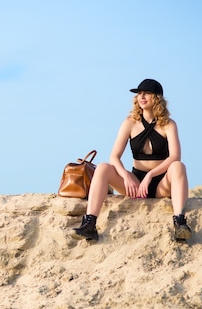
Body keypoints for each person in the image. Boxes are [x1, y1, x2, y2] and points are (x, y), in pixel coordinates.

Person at [73, 78, 192, 242]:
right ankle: (89, 224)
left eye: (147, 93)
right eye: (139, 94)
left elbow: (174, 156)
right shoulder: (130, 122)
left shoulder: (168, 124)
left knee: (178, 166)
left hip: (161, 184)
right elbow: (114, 156)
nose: (141, 97)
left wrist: (150, 175)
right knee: (102, 167)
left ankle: (179, 224)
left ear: (157, 98)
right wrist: (126, 176)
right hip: (135, 183)